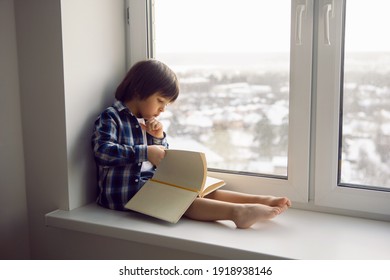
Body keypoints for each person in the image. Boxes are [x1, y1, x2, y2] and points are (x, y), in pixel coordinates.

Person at [91, 59, 291, 229]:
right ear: (137, 90)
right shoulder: (111, 117)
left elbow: (160, 159)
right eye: (160, 101)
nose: (162, 110)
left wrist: (158, 138)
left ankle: (258, 200)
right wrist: (146, 151)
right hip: (124, 195)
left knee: (200, 189)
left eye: (166, 105)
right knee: (184, 200)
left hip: (150, 185)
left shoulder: (144, 121)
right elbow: (102, 152)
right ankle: (237, 213)